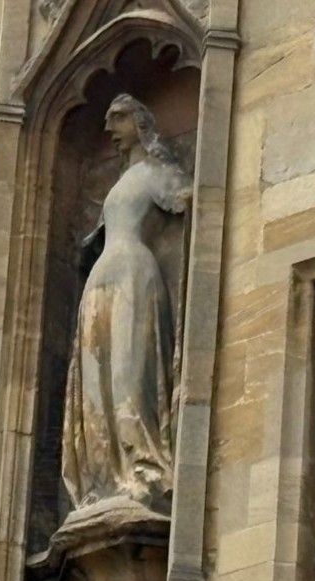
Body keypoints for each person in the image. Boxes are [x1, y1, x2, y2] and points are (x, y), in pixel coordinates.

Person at [55, 93, 193, 551]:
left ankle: (141, 468)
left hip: (135, 275)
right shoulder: (120, 184)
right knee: (99, 388)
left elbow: (188, 201)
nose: (111, 129)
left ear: (140, 122)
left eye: (118, 119)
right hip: (101, 282)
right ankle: (102, 475)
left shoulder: (157, 173)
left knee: (129, 375)